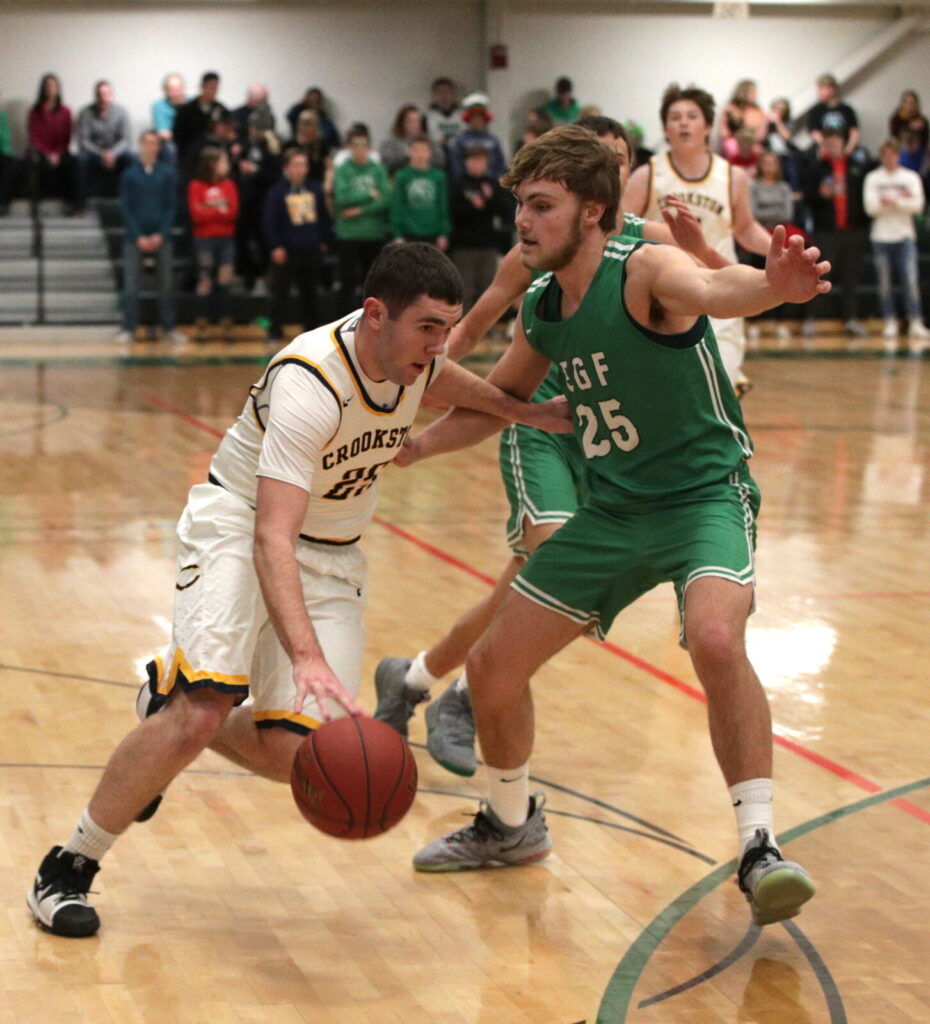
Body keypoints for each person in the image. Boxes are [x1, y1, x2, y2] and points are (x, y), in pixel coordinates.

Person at [25, 241, 574, 939]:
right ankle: (68, 865)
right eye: (429, 328)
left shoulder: (412, 360)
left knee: (303, 758)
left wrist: (526, 412)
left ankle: (163, 698)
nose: (441, 345)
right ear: (376, 315)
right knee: (202, 706)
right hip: (242, 525)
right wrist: (305, 654)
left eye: (449, 327)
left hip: (332, 554)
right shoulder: (309, 383)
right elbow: (270, 539)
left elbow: (451, 387)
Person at [392, 125, 828, 932]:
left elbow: (723, 290)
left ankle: (760, 845)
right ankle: (510, 825)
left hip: (703, 495)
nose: (524, 222)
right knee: (491, 671)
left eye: (542, 206)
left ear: (594, 212)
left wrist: (778, 289)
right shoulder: (546, 309)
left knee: (717, 640)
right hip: (617, 511)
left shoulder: (647, 268)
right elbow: (499, 402)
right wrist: (414, 447)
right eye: (521, 205)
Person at [374, 116, 731, 776]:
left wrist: (706, 254)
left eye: (623, 164)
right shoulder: (532, 250)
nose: (617, 175)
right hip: (541, 424)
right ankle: (464, 698)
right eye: (606, 162)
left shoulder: (649, 245)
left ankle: (421, 678)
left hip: (615, 440)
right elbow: (476, 319)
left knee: (525, 582)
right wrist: (422, 381)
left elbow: (713, 286)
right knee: (552, 554)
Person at [624, 83, 776, 394]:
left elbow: (745, 229)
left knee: (718, 383)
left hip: (722, 286)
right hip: (667, 297)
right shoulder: (648, 175)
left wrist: (780, 249)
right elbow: (620, 229)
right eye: (675, 117)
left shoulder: (732, 177)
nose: (683, 122)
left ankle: (731, 385)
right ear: (665, 128)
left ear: (707, 126)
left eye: (691, 116)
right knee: (672, 392)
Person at [114, 130, 184, 345]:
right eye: (147, 143)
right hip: (135, 238)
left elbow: (171, 206)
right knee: (132, 284)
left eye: (155, 143)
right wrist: (137, 236)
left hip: (161, 237)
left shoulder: (167, 173)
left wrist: (161, 234)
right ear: (140, 145)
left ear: (158, 147)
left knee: (166, 283)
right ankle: (129, 327)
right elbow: (126, 207)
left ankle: (169, 327)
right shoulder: (129, 174)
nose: (150, 147)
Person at [863, 138, 930, 353]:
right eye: (886, 155)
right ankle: (890, 321)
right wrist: (900, 201)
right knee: (884, 283)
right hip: (880, 236)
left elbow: (918, 205)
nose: (889, 158)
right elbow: (871, 207)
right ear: (882, 156)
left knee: (910, 280)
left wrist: (892, 201)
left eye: (893, 154)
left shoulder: (910, 177)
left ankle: (915, 322)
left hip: (905, 235)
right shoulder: (873, 178)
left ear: (898, 155)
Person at [805, 127, 872, 341]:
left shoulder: (856, 166)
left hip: (853, 231)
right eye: (829, 140)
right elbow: (807, 197)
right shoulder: (817, 167)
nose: (833, 144)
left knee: (851, 278)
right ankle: (811, 319)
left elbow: (865, 197)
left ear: (844, 142)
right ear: (824, 142)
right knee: (820, 275)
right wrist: (820, 195)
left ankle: (851, 319)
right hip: (827, 232)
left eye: (837, 140)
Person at [262, 148, 332, 341]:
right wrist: (275, 245)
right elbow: (270, 221)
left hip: (311, 248)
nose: (301, 169)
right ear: (287, 167)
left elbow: (323, 217)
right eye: (296, 165)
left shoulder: (315, 189)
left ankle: (312, 330)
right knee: (280, 293)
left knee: (310, 293)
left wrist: (324, 239)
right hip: (287, 249)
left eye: (304, 165)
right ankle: (275, 329)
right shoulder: (276, 192)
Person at [332, 125, 391, 315]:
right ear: (349, 147)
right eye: (355, 145)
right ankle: (343, 321)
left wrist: (358, 210)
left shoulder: (378, 169)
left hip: (373, 233)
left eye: (363, 145)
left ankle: (371, 320)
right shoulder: (342, 169)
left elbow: (385, 200)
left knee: (372, 282)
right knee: (347, 280)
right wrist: (368, 193)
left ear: (369, 148)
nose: (360, 149)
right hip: (348, 234)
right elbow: (341, 198)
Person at [448, 145, 513, 310]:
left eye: (481, 160)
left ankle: (487, 328)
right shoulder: (458, 183)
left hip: (487, 243)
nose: (477, 164)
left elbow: (505, 211)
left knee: (487, 288)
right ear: (466, 162)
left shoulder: (492, 183)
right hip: (463, 244)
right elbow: (452, 211)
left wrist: (489, 199)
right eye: (473, 160)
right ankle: (461, 325)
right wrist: (473, 206)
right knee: (465, 289)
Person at [187, 146, 239, 337]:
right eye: (223, 162)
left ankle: (226, 321)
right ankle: (201, 322)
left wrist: (208, 207)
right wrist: (219, 208)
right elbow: (197, 215)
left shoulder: (229, 185)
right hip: (204, 239)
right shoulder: (196, 186)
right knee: (204, 279)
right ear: (212, 164)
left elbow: (233, 212)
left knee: (226, 278)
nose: (227, 166)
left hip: (226, 238)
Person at [74, 80, 132, 212]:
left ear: (111, 95)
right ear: (95, 96)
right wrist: (102, 154)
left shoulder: (121, 112)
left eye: (106, 94)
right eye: (100, 95)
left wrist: (112, 154)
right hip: (94, 154)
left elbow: (125, 140)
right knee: (80, 159)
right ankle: (80, 206)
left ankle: (130, 204)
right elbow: (84, 141)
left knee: (132, 158)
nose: (103, 98)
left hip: (117, 153)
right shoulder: (85, 113)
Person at [390, 135, 450, 249]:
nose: (420, 154)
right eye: (415, 150)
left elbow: (443, 205)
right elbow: (397, 205)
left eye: (423, 150)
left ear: (430, 153)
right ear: (409, 152)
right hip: (408, 233)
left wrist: (444, 233)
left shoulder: (439, 176)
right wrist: (397, 233)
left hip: (433, 233)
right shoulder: (401, 176)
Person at [27, 73, 75, 207]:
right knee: (34, 162)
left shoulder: (66, 111)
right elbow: (34, 136)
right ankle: (36, 205)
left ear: (58, 89)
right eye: (48, 86)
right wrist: (47, 154)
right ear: (43, 89)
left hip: (60, 152)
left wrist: (57, 154)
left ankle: (71, 204)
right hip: (41, 152)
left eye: (53, 86)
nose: (50, 89)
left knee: (73, 163)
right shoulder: (34, 112)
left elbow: (67, 136)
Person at [173, 72, 228, 179]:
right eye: (210, 87)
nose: (212, 91)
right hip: (191, 157)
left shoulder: (221, 110)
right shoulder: (186, 110)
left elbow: (226, 134)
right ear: (202, 86)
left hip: (214, 158)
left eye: (215, 88)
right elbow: (178, 136)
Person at [448, 93, 507, 182]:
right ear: (468, 119)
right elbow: (457, 166)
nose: (477, 120)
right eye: (474, 117)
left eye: (480, 117)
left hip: (492, 184)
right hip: (467, 185)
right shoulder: (459, 140)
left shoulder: (493, 140)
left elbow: (500, 166)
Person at [379, 104, 442, 177]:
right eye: (410, 121)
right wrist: (406, 155)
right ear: (401, 122)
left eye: (417, 121)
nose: (414, 125)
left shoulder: (429, 140)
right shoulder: (390, 142)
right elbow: (385, 164)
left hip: (426, 178)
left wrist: (422, 157)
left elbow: (440, 161)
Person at [806, 74, 860, 156]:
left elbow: (854, 131)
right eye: (821, 89)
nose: (823, 92)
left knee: (861, 157)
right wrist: (830, 148)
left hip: (846, 148)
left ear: (833, 89)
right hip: (825, 150)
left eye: (826, 88)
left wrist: (848, 149)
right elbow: (815, 133)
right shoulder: (815, 111)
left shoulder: (847, 109)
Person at [888, 90, 929, 173]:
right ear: (903, 104)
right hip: (902, 149)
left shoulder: (923, 120)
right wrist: (909, 127)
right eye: (908, 102)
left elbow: (925, 142)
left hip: (918, 152)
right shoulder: (896, 119)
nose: (911, 105)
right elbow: (894, 138)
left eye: (913, 102)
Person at [424, 76, 462, 160]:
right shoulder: (426, 117)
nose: (444, 96)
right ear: (434, 95)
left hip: (459, 157)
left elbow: (464, 138)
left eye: (447, 92)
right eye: (440, 92)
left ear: (453, 94)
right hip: (435, 158)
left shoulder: (463, 115)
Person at [151, 73, 186, 165]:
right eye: (173, 90)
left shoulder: (191, 103)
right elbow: (162, 133)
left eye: (179, 89)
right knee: (170, 149)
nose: (177, 93)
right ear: (166, 91)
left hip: (189, 141)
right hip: (170, 143)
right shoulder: (159, 106)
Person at [0, 99, 19, 215]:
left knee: (11, 164)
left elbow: (5, 140)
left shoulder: (2, 117)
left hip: (2, 153)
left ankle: (2, 204)